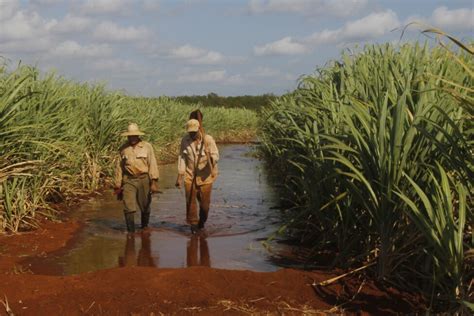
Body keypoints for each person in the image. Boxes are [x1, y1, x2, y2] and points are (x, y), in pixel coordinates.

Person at [175, 118, 219, 234]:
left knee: (205, 207)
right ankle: (193, 226)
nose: (192, 134)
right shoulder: (185, 140)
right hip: (190, 176)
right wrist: (180, 176)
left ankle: (202, 222)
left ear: (199, 129)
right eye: (190, 132)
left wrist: (211, 158)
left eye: (194, 132)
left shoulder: (208, 139)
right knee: (190, 203)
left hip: (205, 177)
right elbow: (182, 158)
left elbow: (216, 155)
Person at [114, 123, 160, 232]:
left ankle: (145, 227)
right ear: (127, 136)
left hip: (144, 179)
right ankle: (131, 231)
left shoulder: (147, 146)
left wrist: (154, 182)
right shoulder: (123, 149)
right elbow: (119, 168)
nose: (132, 138)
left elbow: (152, 163)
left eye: (134, 136)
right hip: (128, 180)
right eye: (130, 136)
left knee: (145, 206)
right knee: (128, 207)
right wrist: (117, 185)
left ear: (138, 135)